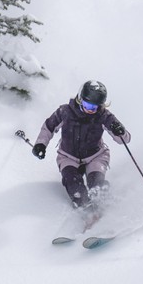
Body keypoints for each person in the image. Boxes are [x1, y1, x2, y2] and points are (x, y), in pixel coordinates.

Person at [33, 79, 132, 208]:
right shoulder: (65, 112)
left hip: (95, 156)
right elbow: (48, 127)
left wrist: (120, 130)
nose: (90, 110)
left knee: (96, 185)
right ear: (80, 98)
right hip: (68, 156)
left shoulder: (104, 116)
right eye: (87, 105)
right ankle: (86, 209)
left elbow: (125, 140)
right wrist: (40, 144)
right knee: (74, 186)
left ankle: (102, 206)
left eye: (94, 107)